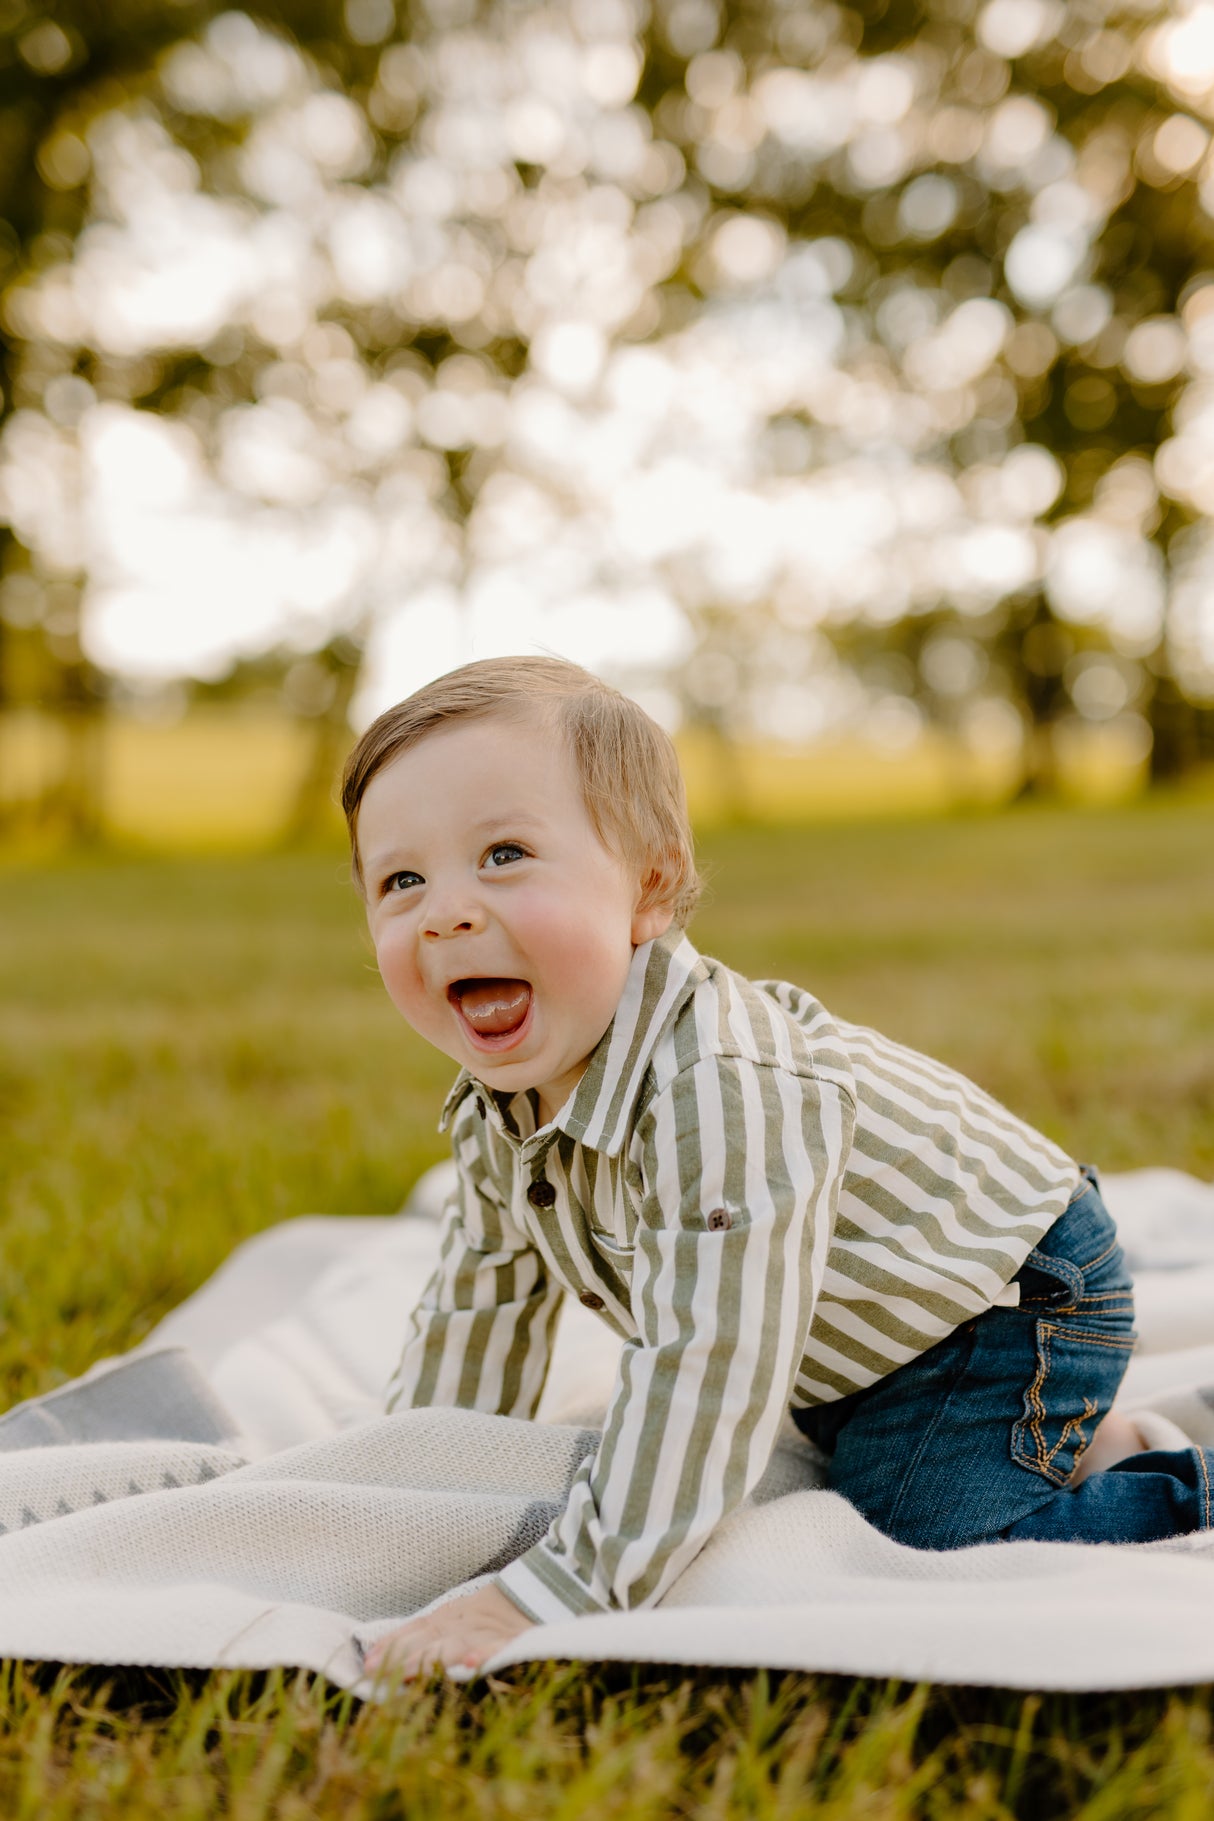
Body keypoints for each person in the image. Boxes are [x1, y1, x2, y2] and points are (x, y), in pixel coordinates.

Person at [347, 656, 1211, 1682]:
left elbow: (709, 1363)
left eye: (503, 854)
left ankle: (1169, 1481)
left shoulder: (717, 1090)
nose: (443, 911)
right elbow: (478, 1310)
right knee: (861, 1454)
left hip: (1004, 1296)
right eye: (401, 880)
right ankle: (1067, 1437)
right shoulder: (499, 1106)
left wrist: (562, 1588)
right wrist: (407, 1500)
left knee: (911, 1530)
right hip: (855, 1335)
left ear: (649, 889)